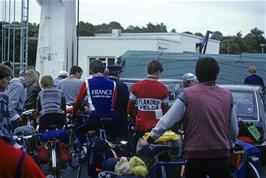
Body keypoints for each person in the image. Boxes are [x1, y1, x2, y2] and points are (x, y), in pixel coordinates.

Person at [140, 57, 239, 178]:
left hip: (196, 155)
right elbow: (234, 128)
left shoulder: (187, 95)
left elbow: (166, 121)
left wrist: (149, 139)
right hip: (220, 155)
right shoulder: (228, 96)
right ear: (217, 75)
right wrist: (232, 144)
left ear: (197, 74)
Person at [0, 64, 45, 177]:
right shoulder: (17, 87)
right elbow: (10, 107)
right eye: (6, 78)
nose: (8, 82)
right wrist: (18, 117)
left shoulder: (19, 86)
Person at [73, 60, 117, 143]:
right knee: (110, 138)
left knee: (78, 130)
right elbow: (114, 103)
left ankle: (86, 147)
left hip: (95, 116)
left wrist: (75, 111)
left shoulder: (87, 82)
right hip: (110, 116)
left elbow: (78, 101)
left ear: (91, 70)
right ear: (104, 70)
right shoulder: (113, 83)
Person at [128, 59, 169, 138]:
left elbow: (130, 108)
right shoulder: (164, 89)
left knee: (139, 148)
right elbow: (165, 111)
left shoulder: (135, 87)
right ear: (157, 72)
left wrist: (135, 118)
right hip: (157, 127)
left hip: (141, 126)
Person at [107, 64, 129, 140]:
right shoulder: (122, 86)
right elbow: (126, 103)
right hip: (120, 117)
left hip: (105, 117)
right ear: (118, 73)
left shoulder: (104, 84)